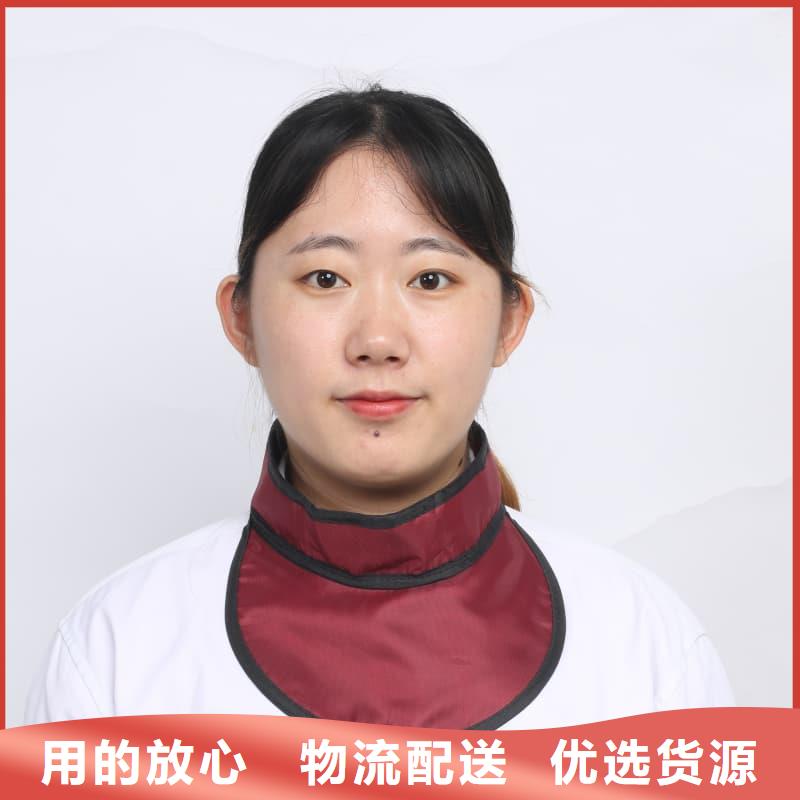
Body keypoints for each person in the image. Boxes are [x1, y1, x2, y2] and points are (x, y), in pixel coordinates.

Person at [24, 84, 734, 730]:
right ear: (242, 319)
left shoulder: (644, 649)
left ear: (509, 320)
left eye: (430, 279)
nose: (378, 341)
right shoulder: (117, 651)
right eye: (324, 278)